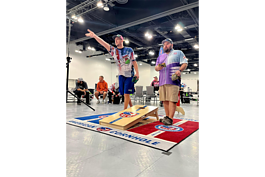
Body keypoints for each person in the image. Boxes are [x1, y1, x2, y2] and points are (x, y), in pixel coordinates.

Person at [85, 29, 139, 110]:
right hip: (121, 75)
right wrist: (94, 36)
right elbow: (103, 43)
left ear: (122, 40)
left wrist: (137, 73)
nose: (116, 40)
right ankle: (132, 108)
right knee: (125, 93)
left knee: (126, 94)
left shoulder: (129, 50)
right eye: (115, 39)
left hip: (129, 75)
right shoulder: (114, 51)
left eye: (118, 39)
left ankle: (124, 111)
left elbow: (134, 62)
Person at [155, 38, 188, 125]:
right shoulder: (160, 57)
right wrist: (159, 67)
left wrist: (179, 70)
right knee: (164, 100)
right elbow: (156, 68)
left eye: (167, 44)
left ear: (172, 45)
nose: (165, 45)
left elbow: (185, 63)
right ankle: (167, 117)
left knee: (172, 99)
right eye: (164, 44)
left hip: (173, 80)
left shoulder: (178, 53)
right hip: (162, 81)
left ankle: (170, 118)